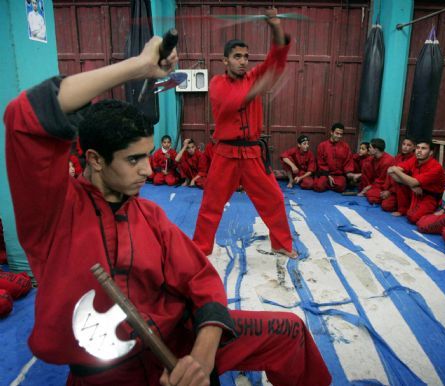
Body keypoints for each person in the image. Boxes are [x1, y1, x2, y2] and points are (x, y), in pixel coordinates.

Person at [5, 35, 331, 386]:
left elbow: (202, 280)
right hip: (113, 374)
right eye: (134, 159)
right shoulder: (53, 216)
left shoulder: (150, 216)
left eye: (147, 156)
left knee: (290, 330)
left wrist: (202, 356)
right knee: (209, 209)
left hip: (179, 344)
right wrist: (138, 67)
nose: (147, 170)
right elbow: (23, 115)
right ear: (95, 160)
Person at [192, 9, 297, 258]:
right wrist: (258, 88)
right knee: (211, 204)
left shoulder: (253, 77)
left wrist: (275, 26)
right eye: (237, 56)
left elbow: (277, 57)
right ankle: (200, 248)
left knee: (274, 200)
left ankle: (281, 244)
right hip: (225, 154)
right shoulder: (217, 83)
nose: (243, 61)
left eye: (246, 56)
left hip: (252, 154)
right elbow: (231, 102)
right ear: (225, 61)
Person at [387, 140, 445, 224]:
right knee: (388, 204)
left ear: (430, 152)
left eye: (423, 148)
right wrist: (412, 185)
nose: (419, 150)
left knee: (413, 217)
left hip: (430, 196)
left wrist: (396, 170)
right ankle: (403, 209)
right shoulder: (414, 159)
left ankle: (431, 211)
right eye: (418, 148)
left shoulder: (436, 167)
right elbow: (390, 172)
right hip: (415, 190)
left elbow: (396, 171)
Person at [313, 122, 354, 193]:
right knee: (318, 187)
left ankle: (330, 184)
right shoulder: (322, 145)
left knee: (341, 187)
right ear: (331, 132)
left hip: (338, 175)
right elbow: (321, 163)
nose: (339, 136)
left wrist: (349, 174)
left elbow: (348, 162)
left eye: (341, 134)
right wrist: (327, 175)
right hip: (325, 174)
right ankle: (328, 183)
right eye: (337, 133)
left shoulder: (345, 146)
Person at [380, 138, 416, 214]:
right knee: (382, 202)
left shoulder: (414, 159)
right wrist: (386, 189)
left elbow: (404, 181)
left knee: (386, 205)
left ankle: (403, 208)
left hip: (406, 189)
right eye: (404, 144)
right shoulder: (398, 157)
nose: (405, 147)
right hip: (394, 189)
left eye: (409, 145)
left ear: (414, 147)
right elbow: (389, 176)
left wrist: (390, 191)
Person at [357, 138, 394, 204]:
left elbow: (382, 181)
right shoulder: (372, 158)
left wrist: (369, 187)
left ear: (376, 149)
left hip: (385, 186)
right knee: (366, 164)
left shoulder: (387, 161)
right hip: (375, 184)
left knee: (372, 197)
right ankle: (368, 191)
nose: (369, 149)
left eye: (370, 147)